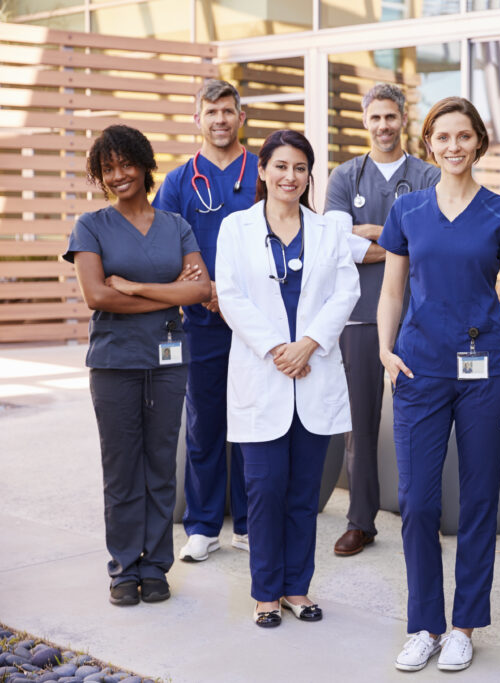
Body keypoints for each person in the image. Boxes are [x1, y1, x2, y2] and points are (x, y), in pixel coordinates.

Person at [377, 96, 500, 672]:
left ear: (479, 142)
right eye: (443, 137)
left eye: (464, 136)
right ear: (429, 144)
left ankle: (464, 625)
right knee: (416, 503)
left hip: (486, 372)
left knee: (479, 500)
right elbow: (392, 291)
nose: (454, 146)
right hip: (419, 369)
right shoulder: (409, 211)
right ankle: (423, 624)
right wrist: (385, 351)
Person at [215, 130, 360, 628]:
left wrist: (309, 344)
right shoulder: (236, 228)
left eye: (300, 168)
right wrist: (278, 348)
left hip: (313, 371)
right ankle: (265, 593)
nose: (290, 177)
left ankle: (297, 587)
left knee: (302, 495)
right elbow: (230, 296)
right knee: (264, 491)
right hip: (265, 372)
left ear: (309, 175)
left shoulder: (328, 231)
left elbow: (346, 291)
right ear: (262, 171)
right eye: (280, 166)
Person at [63, 125, 211, 606]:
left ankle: (155, 566)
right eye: (108, 169)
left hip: (168, 362)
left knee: (160, 464)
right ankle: (125, 566)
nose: (119, 175)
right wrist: (167, 294)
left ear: (145, 165)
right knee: (122, 466)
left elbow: (200, 291)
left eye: (126, 164)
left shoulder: (176, 225)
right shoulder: (91, 226)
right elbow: (95, 295)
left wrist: (136, 287)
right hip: (114, 363)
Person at [324, 83, 441, 558]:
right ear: (364, 121)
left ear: (403, 119)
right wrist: (395, 239)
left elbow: (429, 241)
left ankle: (422, 516)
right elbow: (334, 242)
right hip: (358, 318)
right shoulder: (343, 177)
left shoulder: (430, 176)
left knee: (424, 424)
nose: (383, 126)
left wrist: (369, 236)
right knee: (361, 425)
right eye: (375, 118)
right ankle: (360, 520)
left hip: (418, 317)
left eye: (391, 117)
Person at [153, 79, 259, 562]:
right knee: (205, 420)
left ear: (242, 117)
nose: (219, 119)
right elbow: (165, 245)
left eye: (227, 111)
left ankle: (250, 522)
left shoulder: (264, 169)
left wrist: (236, 295)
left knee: (256, 418)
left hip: (260, 318)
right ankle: (202, 524)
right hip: (203, 317)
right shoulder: (178, 181)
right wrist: (209, 291)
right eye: (210, 111)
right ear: (197, 119)